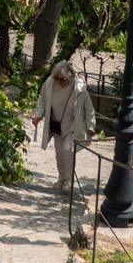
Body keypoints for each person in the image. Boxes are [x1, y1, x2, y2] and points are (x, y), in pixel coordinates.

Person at [32, 60, 96, 193]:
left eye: (63, 79)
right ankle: (61, 178)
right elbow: (42, 100)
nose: (59, 81)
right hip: (56, 124)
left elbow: (88, 108)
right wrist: (38, 115)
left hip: (72, 125)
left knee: (67, 151)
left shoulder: (79, 87)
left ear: (70, 77)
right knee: (59, 153)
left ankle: (69, 180)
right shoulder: (49, 83)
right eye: (57, 78)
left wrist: (91, 125)